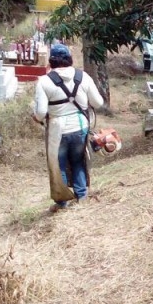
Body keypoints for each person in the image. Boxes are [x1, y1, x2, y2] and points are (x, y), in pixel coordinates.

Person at [33, 44, 105, 212]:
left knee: (59, 165)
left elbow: (41, 112)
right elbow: (98, 103)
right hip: (80, 127)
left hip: (57, 130)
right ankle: (82, 196)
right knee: (79, 161)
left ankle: (62, 202)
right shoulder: (83, 77)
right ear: (69, 59)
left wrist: (36, 117)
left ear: (51, 61)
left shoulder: (44, 81)